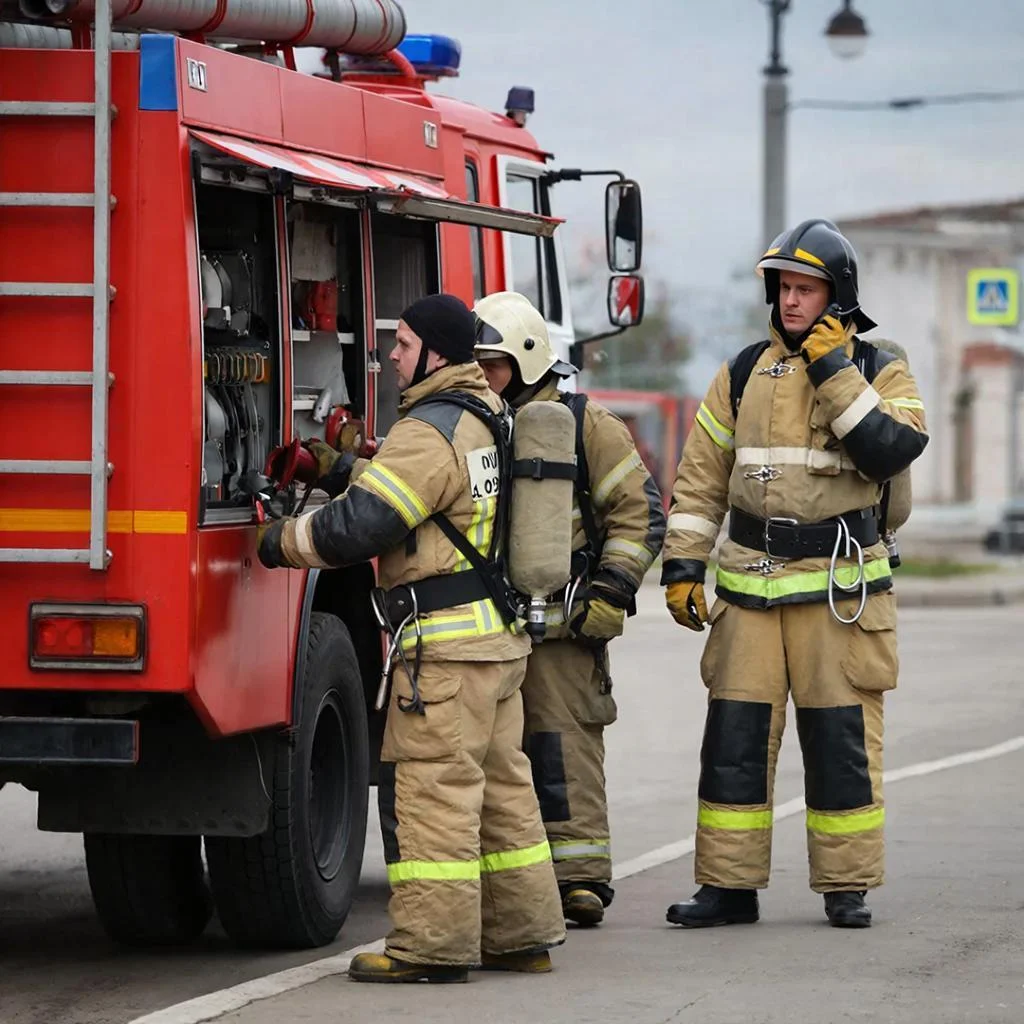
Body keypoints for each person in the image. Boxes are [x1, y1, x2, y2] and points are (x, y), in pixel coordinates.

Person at [258, 293, 565, 981]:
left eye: (402, 344)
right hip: (496, 645)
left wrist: (278, 541)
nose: (391, 355)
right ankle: (522, 938)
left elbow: (363, 526)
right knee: (504, 798)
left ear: (435, 353)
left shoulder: (429, 428)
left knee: (435, 798)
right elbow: (427, 498)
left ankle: (431, 948)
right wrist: (344, 469)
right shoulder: (486, 414)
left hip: (446, 656)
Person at [660, 220, 928, 930]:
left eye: (806, 288)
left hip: (839, 592)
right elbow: (700, 479)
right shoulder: (740, 372)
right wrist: (683, 566)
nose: (790, 300)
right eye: (783, 287)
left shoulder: (878, 368)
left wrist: (832, 368)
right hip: (747, 590)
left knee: (841, 743)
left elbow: (890, 448)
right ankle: (727, 886)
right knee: (734, 743)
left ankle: (846, 885)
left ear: (837, 295)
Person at [473, 291, 666, 926]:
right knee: (496, 758)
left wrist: (610, 592)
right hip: (489, 628)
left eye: (493, 365)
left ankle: (578, 877)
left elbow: (640, 514)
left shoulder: (588, 426)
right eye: (477, 364)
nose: (483, 376)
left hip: (567, 625)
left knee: (562, 748)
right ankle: (509, 882)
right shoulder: (475, 424)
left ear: (528, 361)